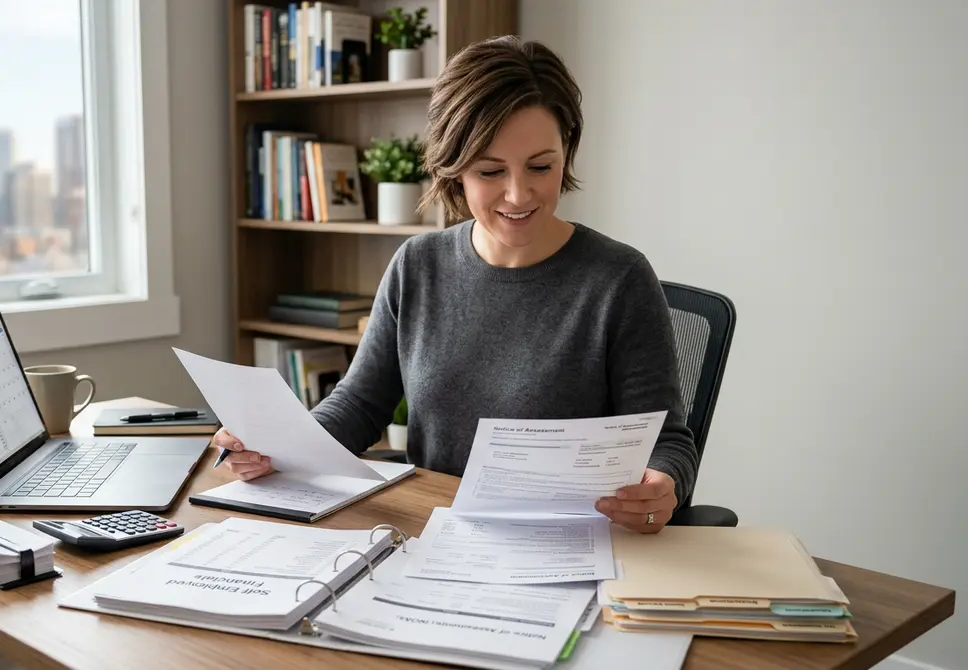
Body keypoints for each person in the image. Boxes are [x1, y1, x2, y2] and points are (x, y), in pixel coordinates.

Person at [216, 36, 698, 534]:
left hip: (564, 541)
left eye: (541, 166)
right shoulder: (417, 265)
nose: (518, 193)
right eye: (490, 171)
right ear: (456, 169)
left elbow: (667, 440)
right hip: (436, 532)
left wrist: (662, 483)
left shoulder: (618, 279)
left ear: (567, 153)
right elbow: (359, 405)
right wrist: (280, 447)